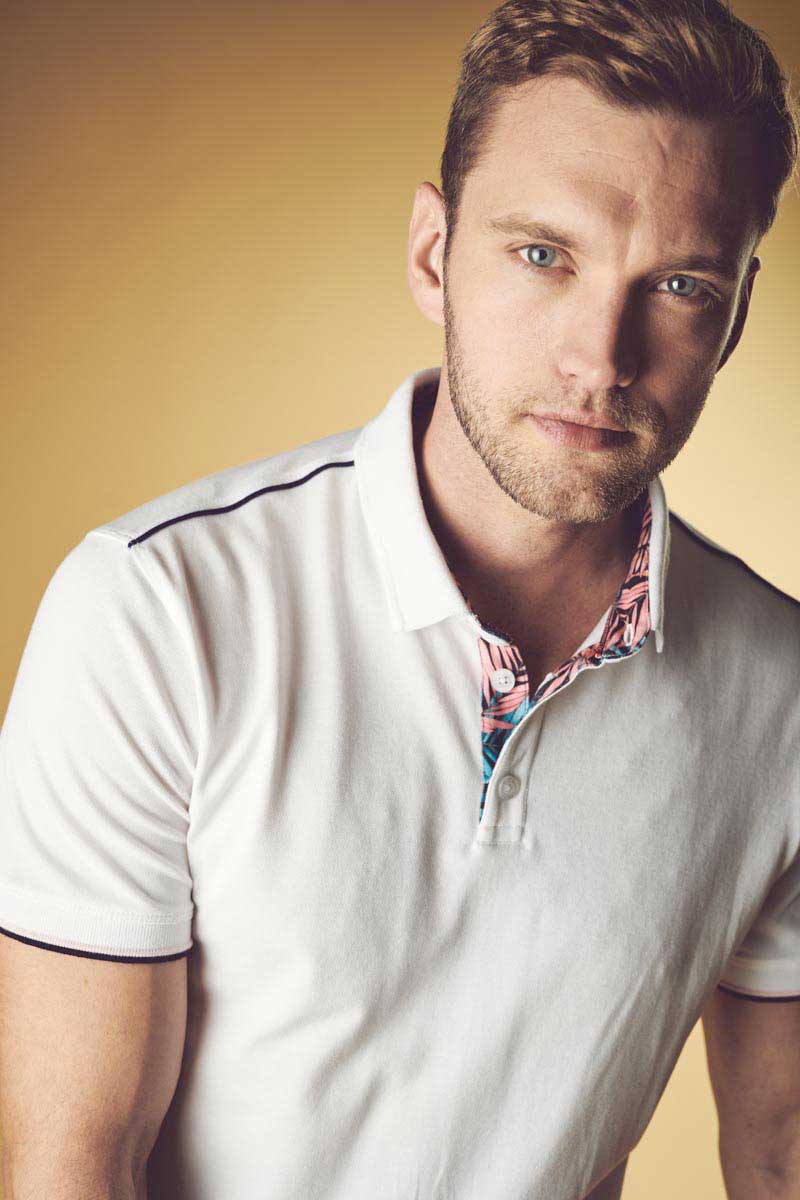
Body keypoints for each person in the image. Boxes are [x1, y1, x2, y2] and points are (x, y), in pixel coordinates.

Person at [0, 0, 798, 1197]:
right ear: (433, 254)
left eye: (679, 283)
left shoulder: (783, 695)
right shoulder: (160, 610)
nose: (599, 357)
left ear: (732, 317)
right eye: (542, 255)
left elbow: (781, 1152)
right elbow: (74, 1159)